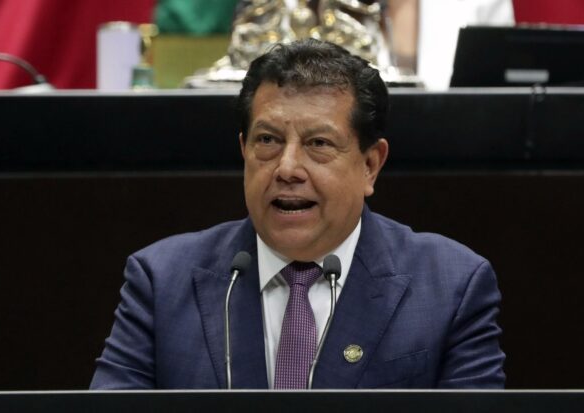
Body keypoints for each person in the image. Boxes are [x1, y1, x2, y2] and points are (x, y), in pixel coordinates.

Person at [90, 39, 505, 389]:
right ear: (244, 150)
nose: (287, 168)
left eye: (318, 143)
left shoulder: (451, 286)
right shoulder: (161, 281)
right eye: (268, 140)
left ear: (370, 165)